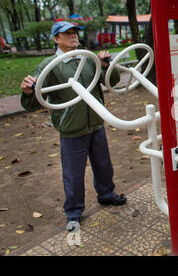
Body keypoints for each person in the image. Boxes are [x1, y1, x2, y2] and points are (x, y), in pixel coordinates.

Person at [20, 21, 126, 232]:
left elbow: (109, 82)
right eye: (66, 34)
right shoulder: (50, 65)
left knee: (104, 165)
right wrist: (28, 91)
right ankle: (74, 212)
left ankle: (106, 194)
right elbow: (34, 100)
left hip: (95, 123)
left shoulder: (88, 59)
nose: (73, 36)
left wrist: (106, 66)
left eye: (74, 32)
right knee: (73, 173)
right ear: (56, 39)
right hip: (71, 129)